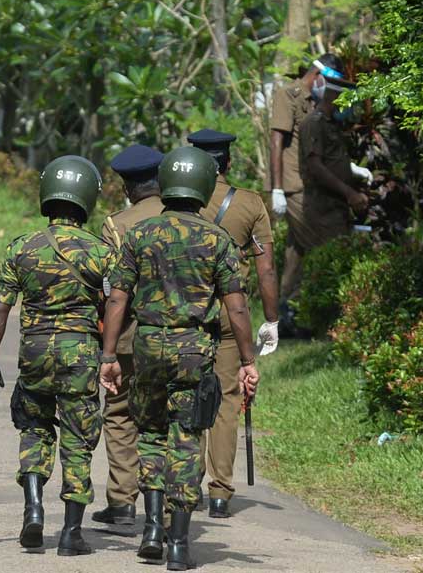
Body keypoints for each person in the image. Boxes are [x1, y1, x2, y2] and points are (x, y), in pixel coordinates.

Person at [99, 147, 259, 571]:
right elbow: (237, 307)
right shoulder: (217, 239)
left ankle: (152, 528)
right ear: (204, 187)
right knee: (186, 438)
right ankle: (179, 543)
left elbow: (118, 298)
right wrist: (247, 360)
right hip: (195, 350)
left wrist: (110, 354)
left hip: (148, 347)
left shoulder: (139, 234)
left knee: (150, 434)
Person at [0, 155, 113, 557]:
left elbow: (0, 309)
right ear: (86, 198)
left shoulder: (21, 248)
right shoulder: (102, 253)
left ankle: (33, 508)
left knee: (34, 429)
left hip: (34, 355)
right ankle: (72, 533)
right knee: (78, 438)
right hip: (80, 357)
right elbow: (115, 307)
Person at [187, 128, 279, 519]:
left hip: (185, 313)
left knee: (187, 397)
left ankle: (186, 484)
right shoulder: (250, 204)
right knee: (226, 402)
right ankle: (221, 492)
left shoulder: (177, 203)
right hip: (230, 314)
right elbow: (266, 269)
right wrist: (271, 320)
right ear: (229, 162)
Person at [90, 144, 164, 527]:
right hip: (178, 337)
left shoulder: (116, 225)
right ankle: (172, 498)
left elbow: (110, 290)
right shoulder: (186, 217)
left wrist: (106, 346)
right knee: (173, 413)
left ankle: (121, 500)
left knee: (120, 412)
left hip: (129, 336)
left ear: (128, 186)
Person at [268, 53, 344, 332]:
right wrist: (277, 189)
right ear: (318, 76)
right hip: (291, 186)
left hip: (305, 184)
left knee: (296, 254)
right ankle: (322, 311)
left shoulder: (314, 101)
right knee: (323, 242)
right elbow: (276, 142)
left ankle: (287, 315)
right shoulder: (287, 95)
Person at [298, 67, 372, 251]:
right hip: (323, 209)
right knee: (330, 259)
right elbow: (315, 166)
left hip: (337, 207)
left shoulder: (333, 125)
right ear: (335, 99)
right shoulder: (313, 124)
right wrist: (350, 194)